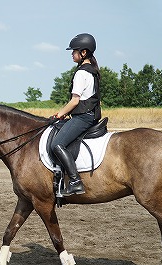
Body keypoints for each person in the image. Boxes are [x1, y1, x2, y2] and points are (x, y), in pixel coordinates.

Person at [51, 33, 101, 196]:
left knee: (56, 144)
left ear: (84, 53)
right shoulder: (93, 69)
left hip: (83, 117)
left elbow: (74, 101)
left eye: (74, 51)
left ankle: (75, 181)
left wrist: (60, 114)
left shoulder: (81, 73)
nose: (72, 54)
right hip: (89, 115)